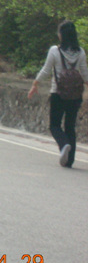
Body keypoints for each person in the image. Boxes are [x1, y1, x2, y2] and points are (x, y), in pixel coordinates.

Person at [28, 20, 88, 167]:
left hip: (58, 93)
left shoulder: (55, 51)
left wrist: (35, 84)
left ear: (62, 35)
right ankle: (69, 161)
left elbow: (46, 70)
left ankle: (63, 144)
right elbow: (85, 74)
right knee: (70, 126)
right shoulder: (80, 52)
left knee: (54, 125)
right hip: (75, 95)